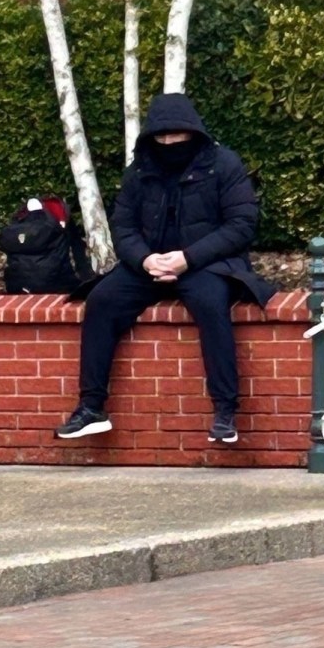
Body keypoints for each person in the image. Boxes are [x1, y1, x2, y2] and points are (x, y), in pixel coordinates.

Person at [55, 93, 275, 444]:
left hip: (207, 264)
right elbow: (123, 226)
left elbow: (242, 224)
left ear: (194, 132)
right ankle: (91, 407)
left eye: (177, 134)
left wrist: (187, 258)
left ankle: (225, 411)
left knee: (211, 304)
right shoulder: (139, 170)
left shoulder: (224, 164)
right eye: (162, 135)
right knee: (102, 300)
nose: (170, 142)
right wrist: (145, 259)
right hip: (149, 265)